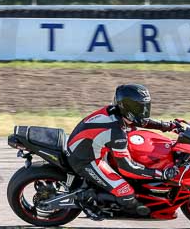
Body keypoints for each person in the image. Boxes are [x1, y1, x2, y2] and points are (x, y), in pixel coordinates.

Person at [65, 84, 180, 216]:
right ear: (128, 107)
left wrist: (167, 126)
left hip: (92, 148)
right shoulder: (117, 132)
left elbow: (141, 121)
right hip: (85, 159)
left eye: (145, 107)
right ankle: (90, 201)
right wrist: (161, 174)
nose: (144, 111)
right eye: (139, 107)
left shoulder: (118, 113)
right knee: (126, 192)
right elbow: (127, 167)